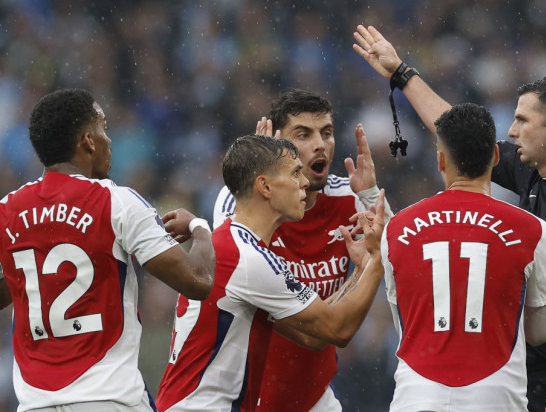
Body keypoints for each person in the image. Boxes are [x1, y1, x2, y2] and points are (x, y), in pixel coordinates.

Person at [353, 25, 546, 411]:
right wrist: (402, 73)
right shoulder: (532, 170)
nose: (511, 130)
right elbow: (462, 138)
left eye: (522, 120)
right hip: (517, 368)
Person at [0, 88, 216, 412]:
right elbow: (198, 281)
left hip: (36, 404)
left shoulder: (7, 210)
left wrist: (29, 276)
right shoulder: (118, 202)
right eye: (103, 128)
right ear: (88, 141)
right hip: (111, 399)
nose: (109, 140)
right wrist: (201, 228)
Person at [156, 135, 387, 411]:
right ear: (264, 186)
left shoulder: (233, 246)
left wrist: (360, 268)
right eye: (294, 173)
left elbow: (312, 336)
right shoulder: (248, 259)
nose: (304, 183)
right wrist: (378, 258)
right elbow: (338, 329)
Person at [212, 89, 392, 412]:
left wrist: (371, 195)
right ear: (277, 144)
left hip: (314, 398)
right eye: (303, 134)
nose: (320, 144)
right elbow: (317, 329)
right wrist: (258, 175)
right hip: (245, 399)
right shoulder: (234, 204)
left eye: (326, 133)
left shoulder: (347, 198)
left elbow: (399, 259)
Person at [380, 103, 546, 410]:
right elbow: (539, 333)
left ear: (440, 161)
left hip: (417, 398)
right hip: (496, 399)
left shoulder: (397, 229)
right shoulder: (533, 230)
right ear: (497, 157)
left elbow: (406, 327)